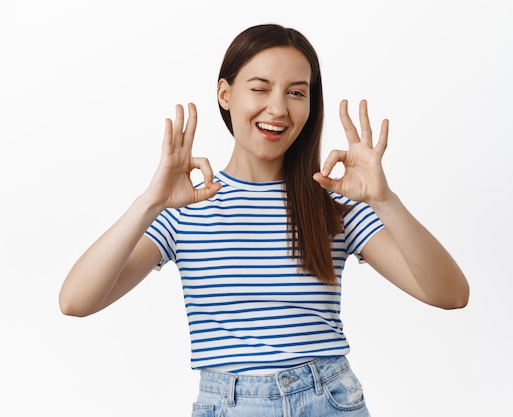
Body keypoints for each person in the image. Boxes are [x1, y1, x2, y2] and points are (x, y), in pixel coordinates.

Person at [59, 23, 469, 417]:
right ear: (225, 94)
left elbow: (450, 294)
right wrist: (148, 202)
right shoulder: (183, 207)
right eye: (260, 88)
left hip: (330, 399)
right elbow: (75, 301)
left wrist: (386, 200)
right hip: (230, 403)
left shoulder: (332, 205)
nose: (278, 108)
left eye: (296, 92)